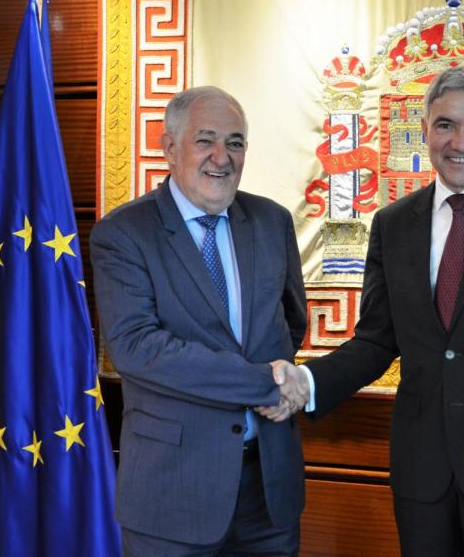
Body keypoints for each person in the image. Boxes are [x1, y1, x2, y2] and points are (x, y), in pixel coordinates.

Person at [262, 67, 464, 556]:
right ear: (425, 131)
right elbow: (376, 341)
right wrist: (307, 384)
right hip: (421, 472)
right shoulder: (394, 223)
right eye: (446, 125)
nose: (461, 141)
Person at [90, 86, 308, 556]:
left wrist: (275, 378)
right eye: (205, 140)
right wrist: (263, 384)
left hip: (268, 492)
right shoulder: (124, 234)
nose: (221, 157)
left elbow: (290, 324)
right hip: (173, 493)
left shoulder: (272, 221)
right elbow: (138, 349)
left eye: (235, 142)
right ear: (170, 148)